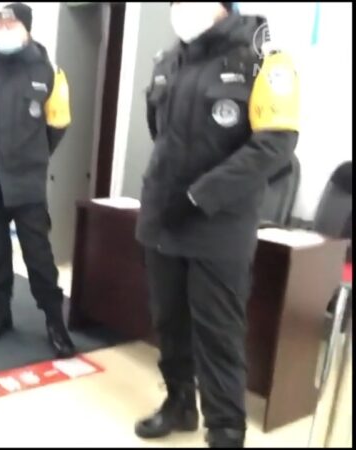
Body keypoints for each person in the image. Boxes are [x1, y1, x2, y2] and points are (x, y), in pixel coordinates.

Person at [134, 3, 299, 447]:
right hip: (165, 217)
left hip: (219, 224)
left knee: (218, 333)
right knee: (169, 321)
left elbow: (276, 145)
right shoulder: (169, 60)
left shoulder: (264, 61)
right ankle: (179, 404)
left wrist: (200, 194)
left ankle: (226, 430)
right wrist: (171, 194)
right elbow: (159, 131)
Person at [0, 3, 75, 358]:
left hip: (27, 184)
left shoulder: (50, 73)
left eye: (12, 24)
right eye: (0, 24)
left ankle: (54, 322)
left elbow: (58, 125)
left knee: (38, 256)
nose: (5, 30)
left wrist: (31, 155)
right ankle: (0, 313)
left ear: (27, 29)